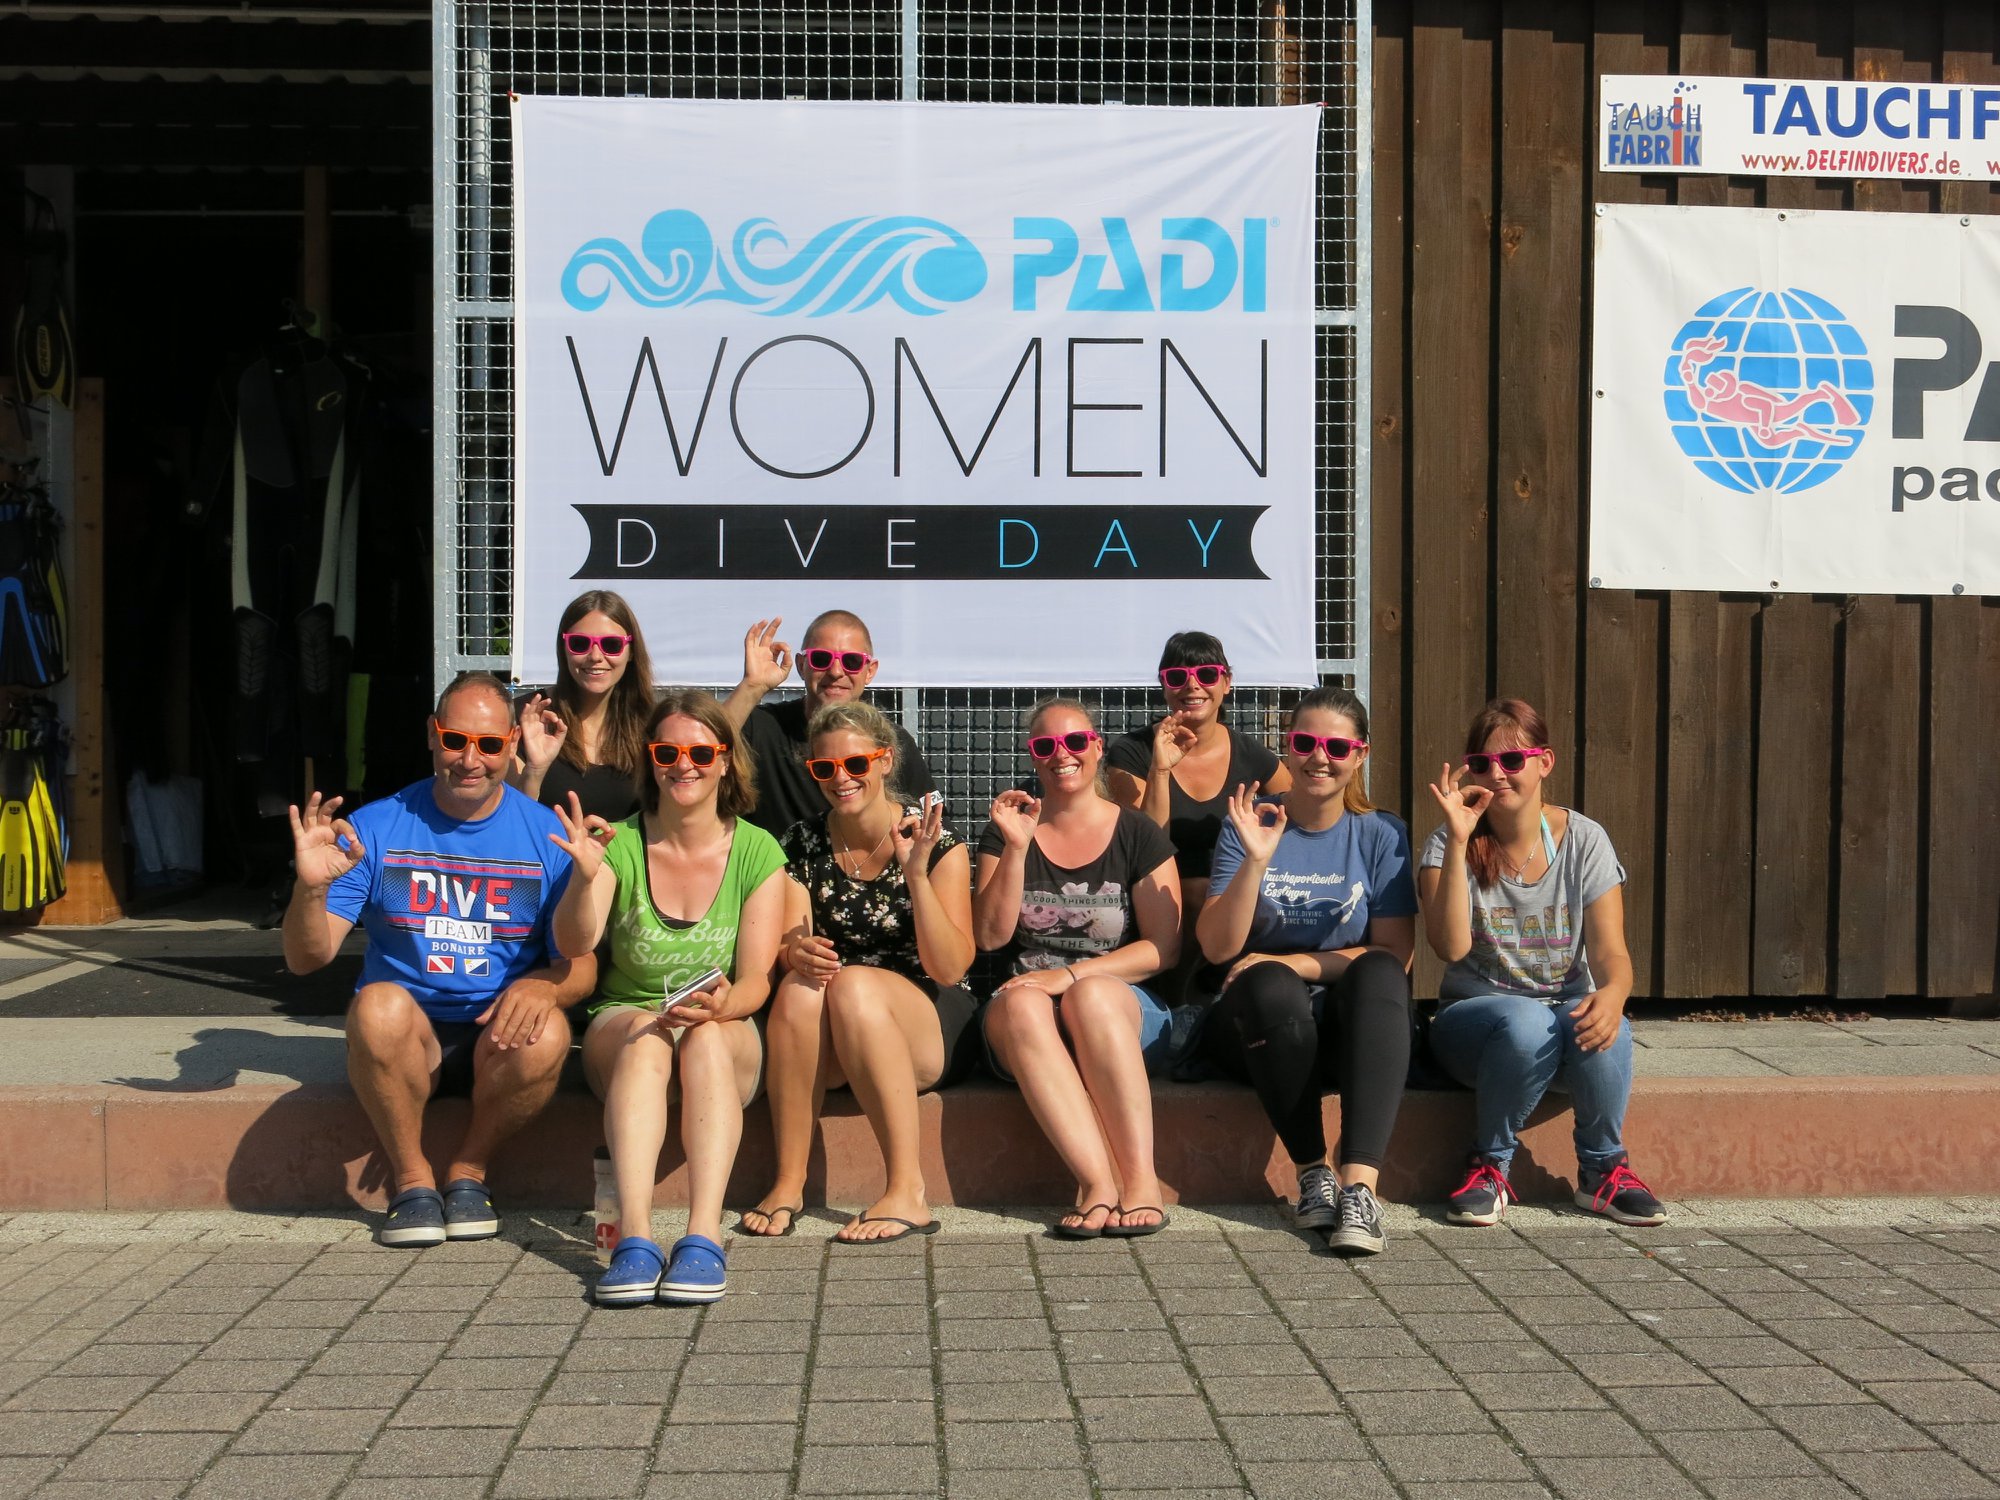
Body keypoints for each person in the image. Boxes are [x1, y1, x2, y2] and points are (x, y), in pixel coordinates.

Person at [282, 672, 594, 1248]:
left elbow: (581, 963)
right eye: (455, 740)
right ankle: (412, 1183)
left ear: (511, 743)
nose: (470, 760)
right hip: (408, 1040)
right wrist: (310, 889)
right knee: (375, 1007)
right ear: (433, 734)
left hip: (495, 1037)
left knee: (549, 1030)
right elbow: (307, 958)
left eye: (490, 744)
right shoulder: (377, 826)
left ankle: (470, 1172)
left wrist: (546, 988)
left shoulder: (547, 836)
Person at [549, 690, 787, 1305]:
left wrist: (721, 1006)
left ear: (726, 761)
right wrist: (581, 877)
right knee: (646, 1040)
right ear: (650, 761)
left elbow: (757, 981)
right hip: (629, 1023)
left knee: (704, 1041)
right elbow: (576, 942)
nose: (684, 765)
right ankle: (634, 1241)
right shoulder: (620, 843)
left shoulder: (758, 850)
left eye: (700, 753)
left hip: (721, 1023)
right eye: (667, 752)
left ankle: (703, 1238)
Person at [1417, 698, 1664, 1228]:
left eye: (1512, 760)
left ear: (1544, 762)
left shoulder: (1585, 839)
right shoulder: (1446, 842)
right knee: (1528, 1020)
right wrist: (1459, 839)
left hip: (1559, 1028)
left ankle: (1603, 1173)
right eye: (1481, 763)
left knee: (1606, 1021)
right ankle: (1489, 1166)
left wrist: (1614, 993)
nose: (1496, 774)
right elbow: (1450, 948)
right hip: (1474, 1030)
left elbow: (1611, 952)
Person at [741, 701, 980, 1244]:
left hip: (928, 1016)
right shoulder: (801, 844)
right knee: (799, 988)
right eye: (824, 768)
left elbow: (950, 968)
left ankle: (907, 1190)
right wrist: (795, 954)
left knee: (849, 983)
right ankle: (788, 1181)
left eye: (855, 764)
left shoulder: (935, 842)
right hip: (841, 1024)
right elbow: (791, 941)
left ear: (885, 760)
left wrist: (916, 875)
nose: (841, 778)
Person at [1195, 685, 1416, 1256]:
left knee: (1381, 973)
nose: (1320, 757)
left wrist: (1290, 961)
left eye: (1337, 748)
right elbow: (1218, 949)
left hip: (1337, 1028)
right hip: (1257, 1027)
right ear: (1287, 747)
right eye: (1305, 743)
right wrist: (1256, 860)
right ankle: (1313, 1173)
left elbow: (1395, 951)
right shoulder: (1249, 823)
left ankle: (1360, 1190)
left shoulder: (1380, 833)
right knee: (1269, 984)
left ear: (1360, 755)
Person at [976, 699, 1181, 1239]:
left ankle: (1142, 1182)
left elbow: (1163, 949)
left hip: (1117, 1009)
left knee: (1091, 995)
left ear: (1096, 747)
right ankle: (1096, 1184)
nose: (1061, 755)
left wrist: (1069, 977)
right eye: (1046, 745)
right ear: (1032, 755)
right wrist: (1017, 848)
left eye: (1074, 742)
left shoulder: (1137, 832)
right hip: (1028, 1015)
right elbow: (991, 936)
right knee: (1023, 1002)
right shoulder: (1007, 831)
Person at [1105, 630, 1291, 907]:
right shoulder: (1132, 752)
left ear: (1226, 683)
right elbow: (1146, 849)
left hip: (1232, 902)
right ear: (1164, 686)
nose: (1192, 685)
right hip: (1155, 900)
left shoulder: (1251, 755)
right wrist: (1159, 771)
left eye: (1207, 675)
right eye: (1177, 677)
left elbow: (1301, 807)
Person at [723, 611, 940, 836]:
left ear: (870, 671)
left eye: (851, 661)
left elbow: (935, 827)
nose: (836, 672)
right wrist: (751, 687)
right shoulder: (763, 727)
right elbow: (706, 747)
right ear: (801, 665)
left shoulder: (890, 740)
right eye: (821, 659)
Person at [510, 590, 655, 822]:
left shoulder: (653, 725)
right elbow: (511, 820)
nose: (595, 656)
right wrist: (534, 771)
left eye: (611, 645)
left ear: (630, 652)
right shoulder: (525, 719)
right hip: (546, 846)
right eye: (580, 643)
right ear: (564, 648)